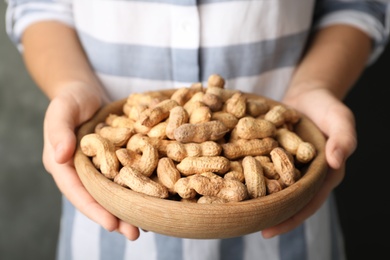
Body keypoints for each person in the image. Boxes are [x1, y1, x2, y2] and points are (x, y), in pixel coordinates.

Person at [5, 1, 390, 259]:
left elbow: (357, 4)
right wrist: (71, 85)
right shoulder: (137, 146)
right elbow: (38, 5)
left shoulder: (248, 136)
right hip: (109, 233)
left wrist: (315, 86)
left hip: (284, 230)